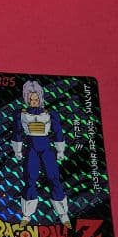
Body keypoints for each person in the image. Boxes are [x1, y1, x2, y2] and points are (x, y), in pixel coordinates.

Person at [11, 80, 70, 226]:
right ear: (26, 99)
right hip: (31, 150)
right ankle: (27, 215)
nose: (33, 102)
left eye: (36, 99)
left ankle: (63, 214)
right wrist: (17, 150)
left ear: (40, 98)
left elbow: (58, 132)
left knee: (54, 178)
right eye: (31, 99)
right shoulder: (21, 114)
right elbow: (17, 133)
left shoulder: (50, 114)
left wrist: (60, 150)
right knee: (30, 180)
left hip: (46, 150)